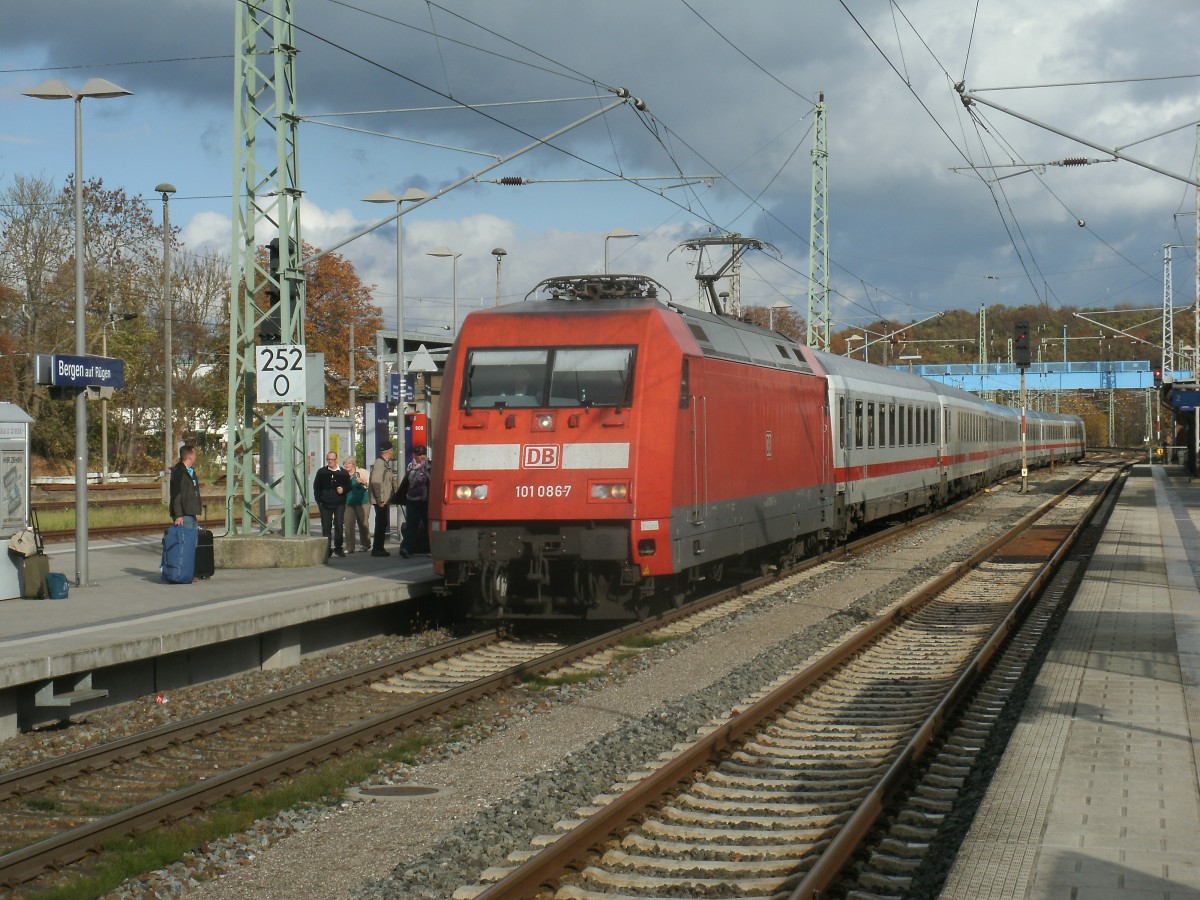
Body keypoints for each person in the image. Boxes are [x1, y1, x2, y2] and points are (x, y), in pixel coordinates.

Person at [313, 451, 351, 557]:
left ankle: (338, 548)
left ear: (336, 460)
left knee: (339, 524)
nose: (330, 461)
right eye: (328, 459)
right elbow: (316, 487)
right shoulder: (321, 472)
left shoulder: (343, 472)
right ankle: (327, 549)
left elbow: (349, 486)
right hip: (325, 503)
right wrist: (319, 501)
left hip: (339, 503)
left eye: (332, 459)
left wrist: (343, 489)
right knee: (326, 526)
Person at [399, 444, 430, 558]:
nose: (421, 457)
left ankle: (429, 548)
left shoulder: (429, 466)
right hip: (412, 499)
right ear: (415, 455)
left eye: (423, 454)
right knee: (412, 525)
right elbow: (406, 482)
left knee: (428, 525)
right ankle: (406, 548)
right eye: (419, 454)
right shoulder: (410, 466)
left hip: (426, 500)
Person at [368, 441, 396, 557]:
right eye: (392, 451)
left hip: (384, 499)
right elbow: (375, 482)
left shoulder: (384, 463)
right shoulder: (380, 464)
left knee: (382, 522)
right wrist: (379, 499)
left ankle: (379, 547)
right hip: (381, 500)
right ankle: (377, 548)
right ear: (389, 451)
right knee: (381, 523)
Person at [343, 457, 371, 554]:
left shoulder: (361, 472)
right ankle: (350, 547)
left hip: (362, 502)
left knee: (363, 523)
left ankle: (365, 544)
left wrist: (363, 482)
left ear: (353, 465)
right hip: (348, 503)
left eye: (349, 463)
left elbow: (369, 484)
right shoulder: (343, 475)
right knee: (348, 524)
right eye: (345, 463)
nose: (347, 465)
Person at [169, 444, 202, 529]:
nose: (196, 457)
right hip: (183, 513)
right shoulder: (179, 472)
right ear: (190, 456)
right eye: (195, 454)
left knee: (193, 538)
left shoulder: (190, 471)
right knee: (186, 539)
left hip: (191, 511)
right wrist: (178, 515)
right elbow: (176, 494)